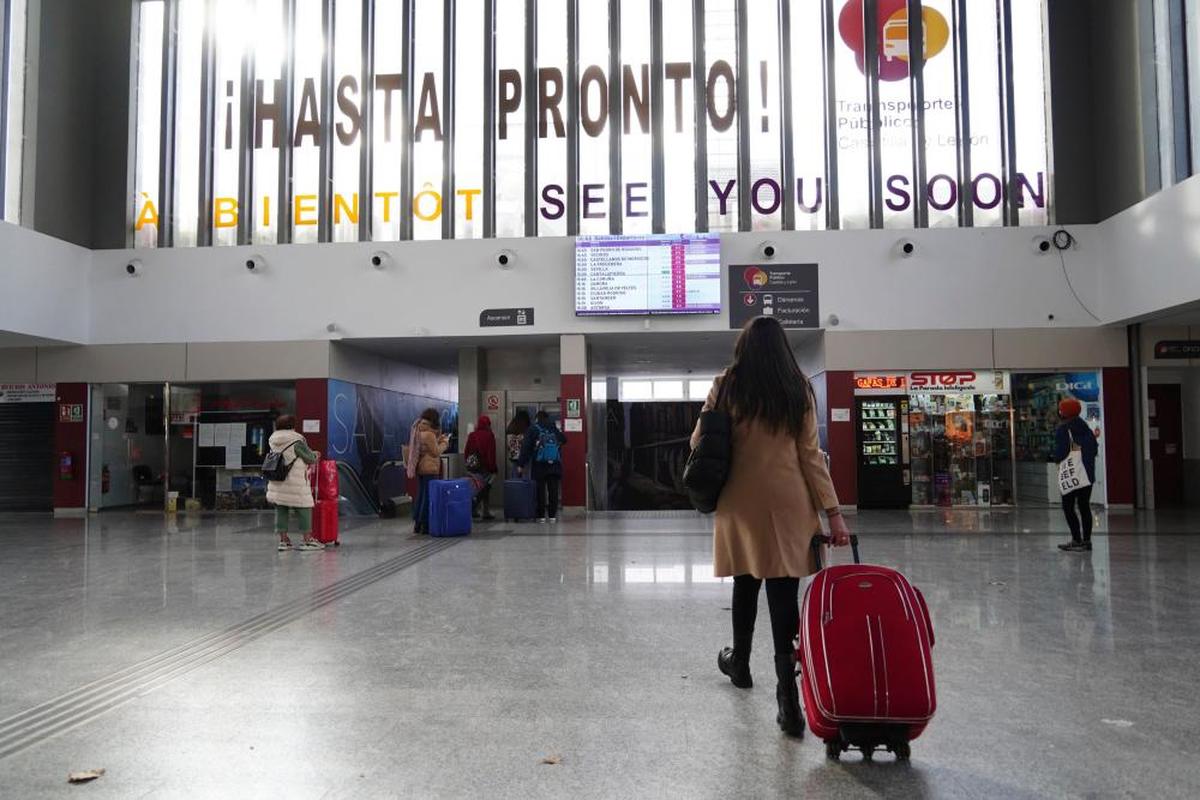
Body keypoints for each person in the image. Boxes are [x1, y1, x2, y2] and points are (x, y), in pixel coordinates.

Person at [690, 316, 851, 738]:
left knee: (745, 582)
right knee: (784, 593)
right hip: (789, 503)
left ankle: (739, 663)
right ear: (783, 348)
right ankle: (788, 700)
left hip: (740, 503)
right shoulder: (797, 387)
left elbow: (698, 441)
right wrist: (833, 513)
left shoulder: (726, 384)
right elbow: (811, 456)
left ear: (744, 346)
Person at [265, 414, 322, 551]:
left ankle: (284, 541)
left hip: (278, 479)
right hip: (295, 481)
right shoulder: (296, 440)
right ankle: (307, 541)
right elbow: (309, 458)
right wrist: (316, 455)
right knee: (304, 508)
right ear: (292, 425)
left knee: (281, 509)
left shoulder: (273, 440)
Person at [1051, 398, 1098, 552]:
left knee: (1068, 507)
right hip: (1086, 475)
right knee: (1084, 507)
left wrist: (1056, 458)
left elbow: (1060, 453)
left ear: (1063, 412)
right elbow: (1094, 450)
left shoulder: (1063, 430)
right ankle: (1087, 541)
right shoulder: (1085, 428)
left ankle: (1076, 539)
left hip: (1071, 476)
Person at [518, 410, 568, 523]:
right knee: (553, 490)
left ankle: (541, 516)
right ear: (547, 418)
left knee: (540, 491)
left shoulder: (533, 429)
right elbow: (564, 439)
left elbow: (526, 447)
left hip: (539, 464)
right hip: (554, 464)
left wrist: (521, 464)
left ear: (537, 418)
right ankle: (552, 516)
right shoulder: (553, 428)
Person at [407, 408, 450, 535]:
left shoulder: (418, 430)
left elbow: (427, 448)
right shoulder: (429, 434)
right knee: (428, 497)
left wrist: (438, 440)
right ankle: (425, 524)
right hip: (430, 468)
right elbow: (435, 452)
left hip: (421, 468)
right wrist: (445, 443)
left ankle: (417, 524)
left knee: (421, 495)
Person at [465, 415, 498, 521]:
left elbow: (466, 451)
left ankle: (473, 510)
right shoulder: (489, 435)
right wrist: (493, 467)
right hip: (485, 467)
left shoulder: (472, 435)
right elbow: (491, 454)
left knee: (474, 488)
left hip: (473, 466)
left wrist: (468, 463)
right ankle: (485, 511)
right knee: (485, 489)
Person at [505, 409, 531, 474]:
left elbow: (508, 444)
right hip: (524, 456)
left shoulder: (511, 427)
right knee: (525, 474)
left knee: (515, 472)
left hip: (514, 456)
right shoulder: (526, 429)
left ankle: (514, 483)